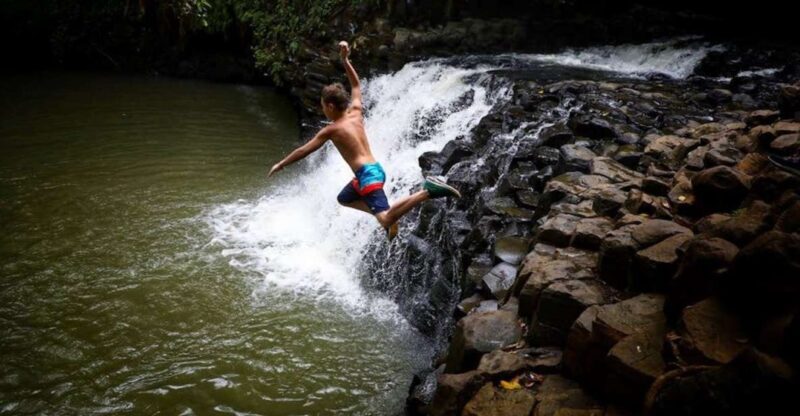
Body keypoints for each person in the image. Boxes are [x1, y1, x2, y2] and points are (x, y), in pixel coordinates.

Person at [268, 40, 461, 240]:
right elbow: (356, 85)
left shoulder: (331, 130)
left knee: (384, 219)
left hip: (368, 177)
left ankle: (427, 192)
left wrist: (281, 164)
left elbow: (304, 151)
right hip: (372, 171)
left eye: (323, 106)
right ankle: (388, 215)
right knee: (345, 198)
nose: (322, 109)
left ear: (330, 106)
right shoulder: (356, 112)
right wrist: (345, 60)